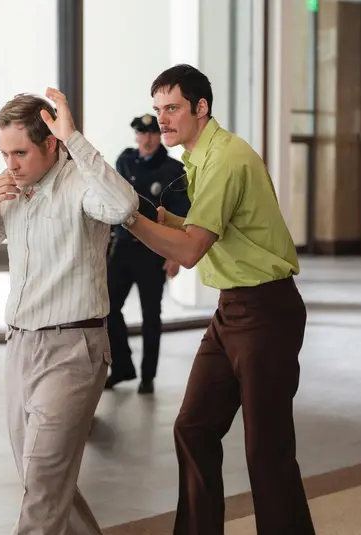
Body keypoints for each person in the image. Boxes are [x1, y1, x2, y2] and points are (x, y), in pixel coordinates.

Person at [122, 64, 316, 534]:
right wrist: (158, 217)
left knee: (266, 449)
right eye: (157, 109)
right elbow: (203, 228)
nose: (162, 119)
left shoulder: (226, 159)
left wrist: (131, 221)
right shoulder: (201, 158)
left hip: (265, 310)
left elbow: (190, 251)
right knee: (193, 427)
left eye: (172, 108)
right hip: (232, 309)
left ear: (201, 107)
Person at [0, 90, 138, 534]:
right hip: (20, 346)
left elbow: (124, 207)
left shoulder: (81, 184)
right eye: (4, 154)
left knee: (42, 480)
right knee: (42, 479)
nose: (10, 164)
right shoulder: (11, 188)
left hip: (73, 349)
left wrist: (74, 138)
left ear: (49, 143)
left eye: (20, 153)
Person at [105, 114, 190, 394]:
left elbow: (183, 216)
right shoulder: (125, 161)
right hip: (122, 248)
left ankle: (148, 376)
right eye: (142, 134)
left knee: (151, 315)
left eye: (152, 134)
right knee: (107, 308)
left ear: (159, 136)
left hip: (153, 251)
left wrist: (175, 256)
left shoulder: (173, 170)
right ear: (136, 136)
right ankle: (122, 367)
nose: (147, 139)